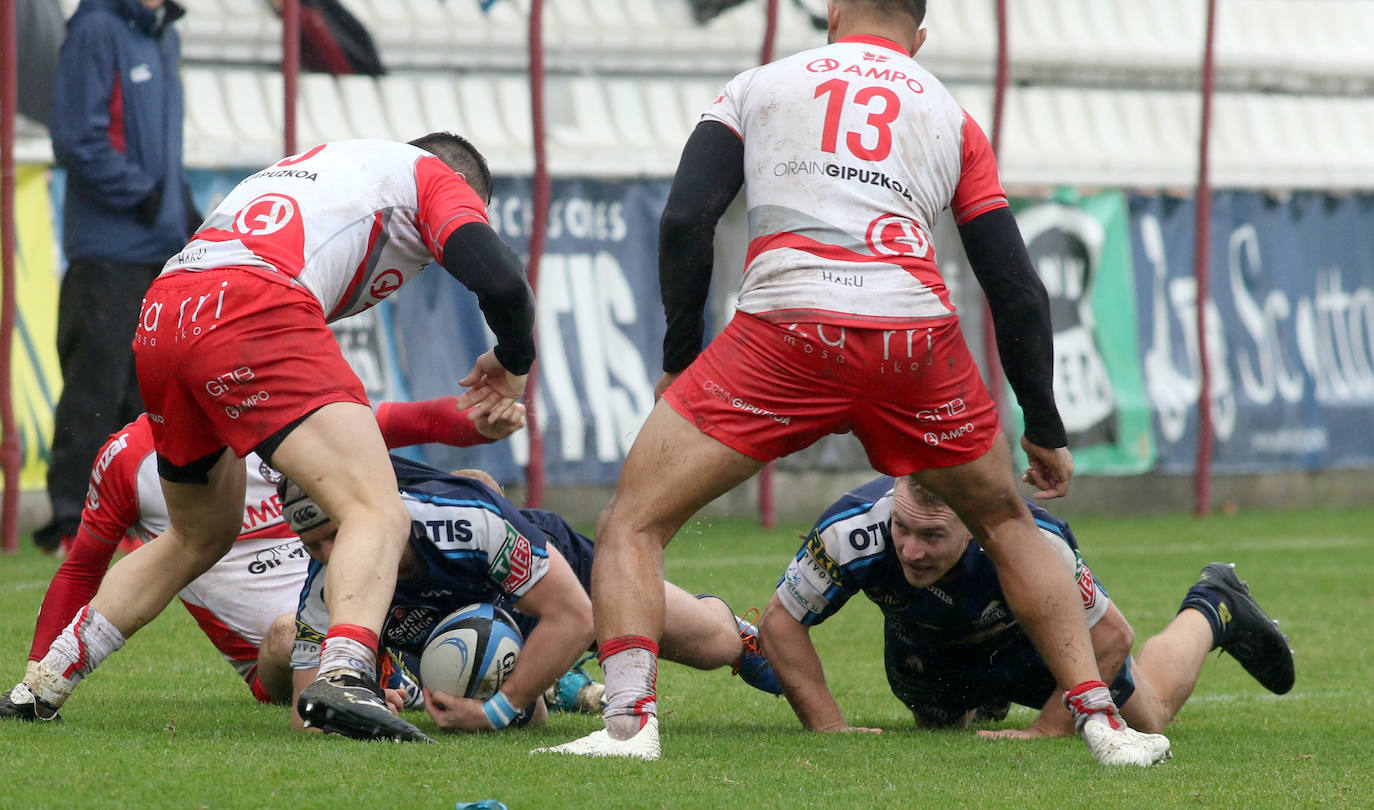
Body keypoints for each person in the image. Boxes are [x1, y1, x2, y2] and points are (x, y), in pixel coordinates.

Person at [537, 0, 1169, 764]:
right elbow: (1017, 287)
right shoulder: (950, 116)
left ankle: (630, 726)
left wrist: (681, 355)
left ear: (832, 14)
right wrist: (1045, 426)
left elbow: (683, 221)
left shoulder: (758, 86)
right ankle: (1104, 725)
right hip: (912, 338)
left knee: (632, 521)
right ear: (920, 36)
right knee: (1007, 523)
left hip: (784, 333)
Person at [14, 133, 535, 745]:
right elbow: (503, 283)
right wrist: (513, 361)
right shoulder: (430, 178)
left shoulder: (324, 166)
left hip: (164, 311)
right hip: (253, 304)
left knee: (195, 533)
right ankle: (345, 676)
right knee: (375, 511)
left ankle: (43, 683)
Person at [0, 396, 522, 714]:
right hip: (285, 652)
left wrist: (477, 420)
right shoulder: (129, 457)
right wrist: (36, 675)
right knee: (285, 632)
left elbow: (395, 419)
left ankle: (534, 652)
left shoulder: (280, 409)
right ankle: (397, 676)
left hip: (374, 594)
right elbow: (81, 568)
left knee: (470, 487)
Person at [757, 475, 1295, 739]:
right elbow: (780, 622)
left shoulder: (1033, 546)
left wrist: (1045, 732)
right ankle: (981, 701)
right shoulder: (856, 531)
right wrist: (829, 727)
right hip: (925, 646)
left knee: (1148, 717)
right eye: (902, 528)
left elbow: (1110, 639)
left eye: (932, 535)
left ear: (971, 524)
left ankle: (1211, 605)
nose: (911, 549)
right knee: (940, 736)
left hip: (1031, 647)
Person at [284, 457, 779, 735]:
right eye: (313, 546)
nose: (331, 553)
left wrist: (491, 711)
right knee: (525, 719)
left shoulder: (463, 524)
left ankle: (736, 629)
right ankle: (549, 687)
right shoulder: (326, 587)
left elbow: (576, 617)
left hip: (554, 585)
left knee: (713, 646)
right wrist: (361, 710)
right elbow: (308, 706)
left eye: (337, 532)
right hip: (470, 634)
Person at [35, 0, 198, 554]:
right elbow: (77, 137)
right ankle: (68, 525)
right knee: (95, 388)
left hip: (161, 250)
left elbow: (164, 154)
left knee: (146, 393)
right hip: (107, 251)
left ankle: (130, 523)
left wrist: (183, 210)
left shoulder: (164, 36)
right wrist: (145, 196)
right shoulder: (96, 28)